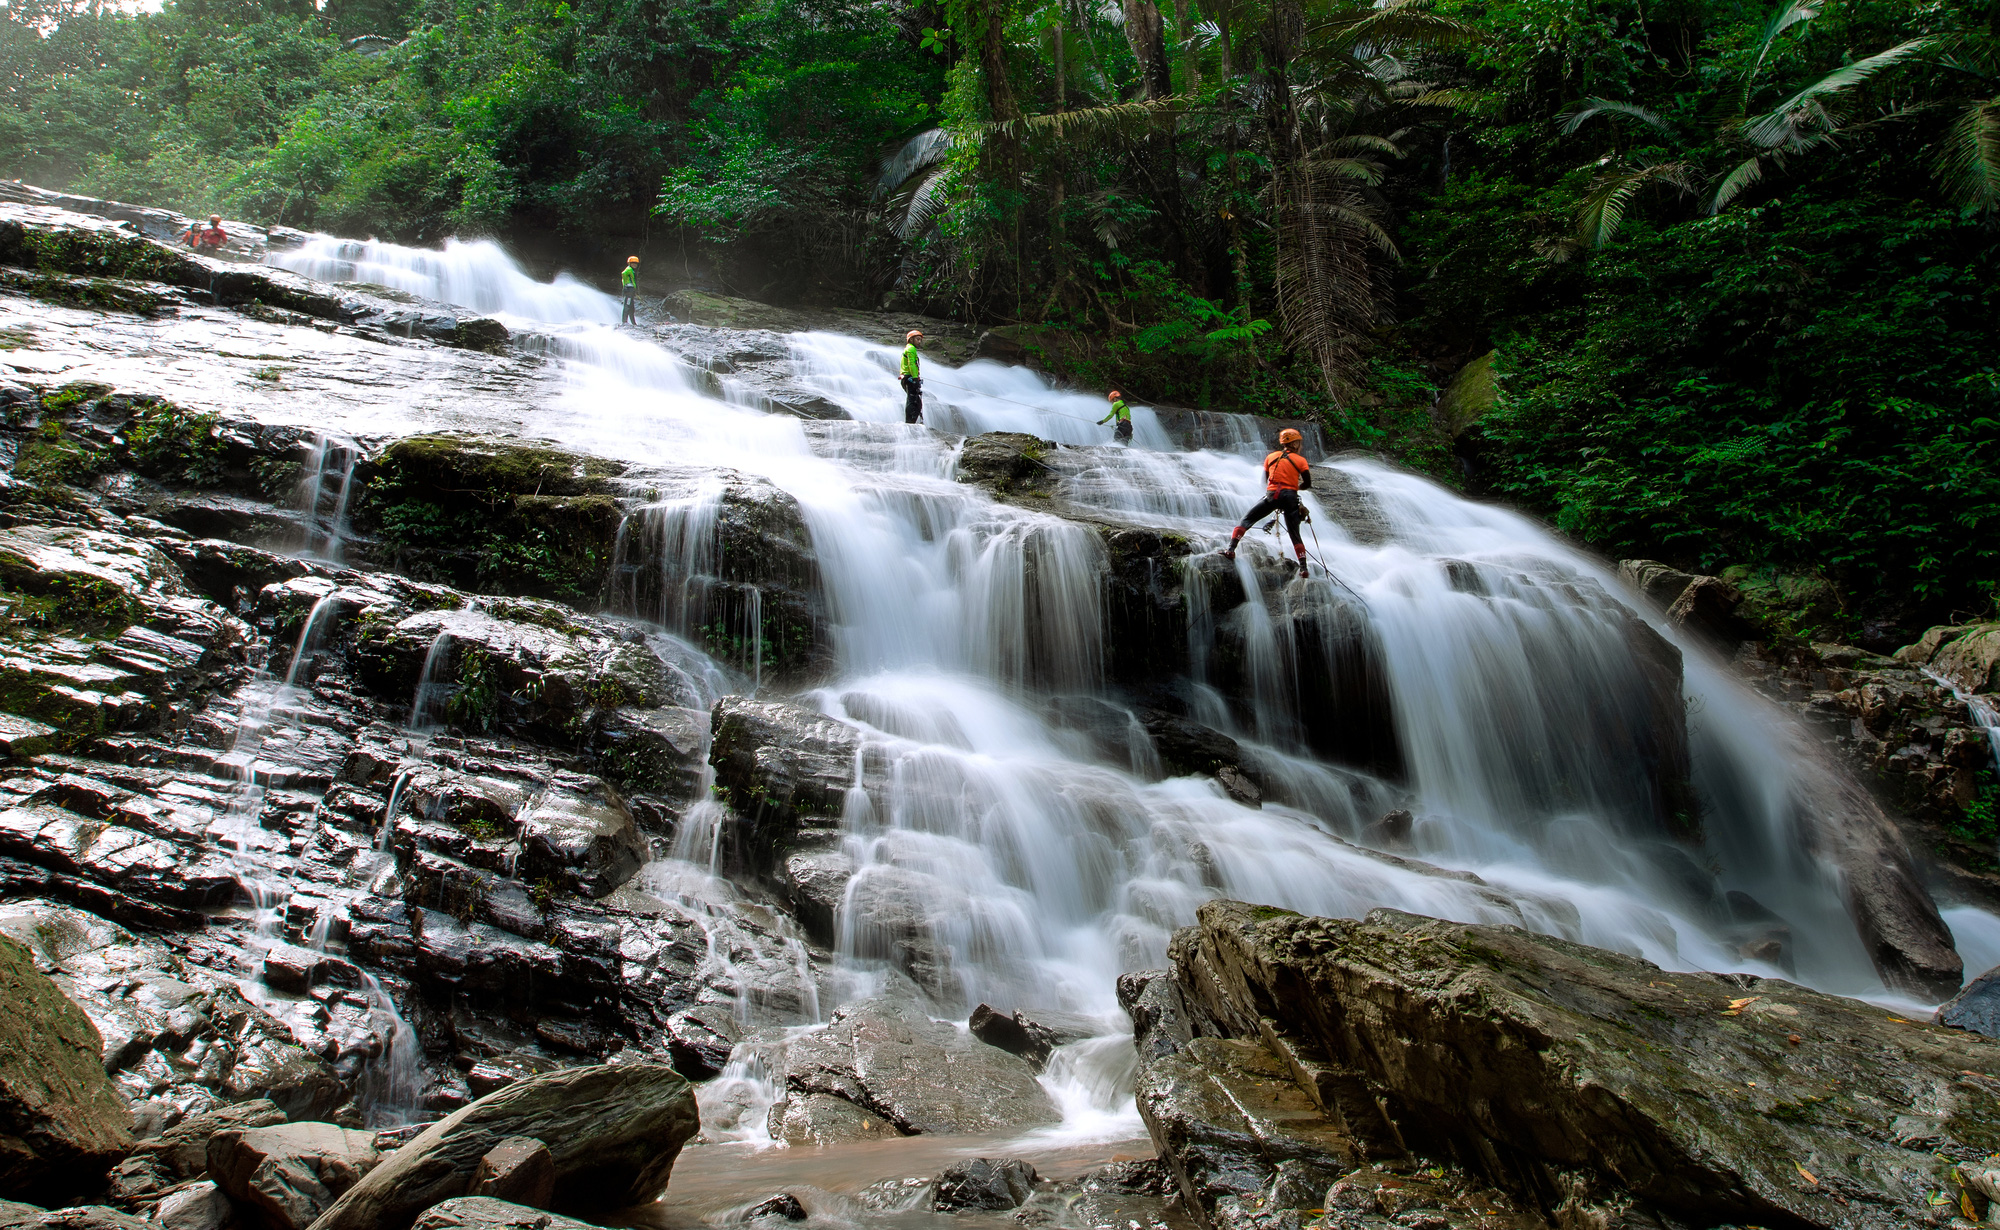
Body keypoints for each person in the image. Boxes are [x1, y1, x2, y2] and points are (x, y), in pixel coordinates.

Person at [1220, 427, 1313, 578]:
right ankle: (1303, 568)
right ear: (1294, 444)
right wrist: (1294, 487)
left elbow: (1265, 480)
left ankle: (1230, 549)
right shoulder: (1301, 461)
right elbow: (1307, 484)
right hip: (1290, 497)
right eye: (1298, 443)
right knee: (1295, 533)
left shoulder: (1271, 457)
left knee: (1247, 519)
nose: (1300, 446)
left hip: (1272, 495)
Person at [900, 330, 924, 424]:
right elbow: (912, 364)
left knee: (916, 402)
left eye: (920, 340)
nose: (919, 342)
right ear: (911, 339)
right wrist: (915, 379)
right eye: (918, 339)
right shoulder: (911, 349)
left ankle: (910, 423)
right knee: (913, 401)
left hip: (908, 378)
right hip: (909, 378)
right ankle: (909, 424)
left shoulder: (909, 348)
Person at [620, 256, 640, 325]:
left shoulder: (632, 270)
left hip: (631, 290)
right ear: (629, 263)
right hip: (628, 290)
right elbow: (623, 274)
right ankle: (624, 322)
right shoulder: (629, 269)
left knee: (631, 307)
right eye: (633, 263)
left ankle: (633, 323)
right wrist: (626, 284)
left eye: (636, 263)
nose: (635, 265)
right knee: (627, 305)